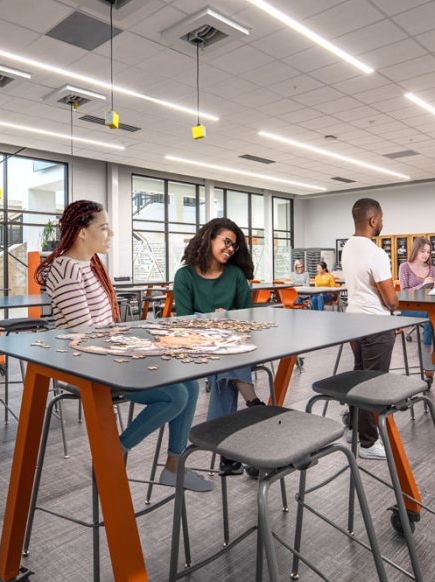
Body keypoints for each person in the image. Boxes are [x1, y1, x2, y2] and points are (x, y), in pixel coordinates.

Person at [37, 200, 211, 492]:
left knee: (190, 384)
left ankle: (173, 467)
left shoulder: (90, 265)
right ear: (81, 232)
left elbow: (106, 328)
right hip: (89, 365)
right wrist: (139, 345)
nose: (111, 233)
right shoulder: (66, 270)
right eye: (103, 227)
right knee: (175, 396)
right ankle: (113, 452)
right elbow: (87, 335)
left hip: (109, 357)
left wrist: (144, 340)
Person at [174, 217, 265, 477]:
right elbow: (184, 320)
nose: (230, 248)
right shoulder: (184, 276)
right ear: (209, 237)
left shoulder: (235, 275)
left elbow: (246, 316)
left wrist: (228, 319)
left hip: (232, 344)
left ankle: (228, 453)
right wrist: (213, 321)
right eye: (226, 241)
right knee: (230, 363)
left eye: (234, 246)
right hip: (198, 346)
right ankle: (255, 405)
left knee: (226, 368)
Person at [340, 198, 399, 460]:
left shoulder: (347, 247)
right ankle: (368, 441)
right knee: (373, 383)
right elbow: (390, 299)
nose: (383, 223)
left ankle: (354, 427)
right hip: (376, 322)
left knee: (359, 375)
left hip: (353, 320)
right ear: (373, 220)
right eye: (382, 218)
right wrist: (395, 304)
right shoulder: (376, 253)